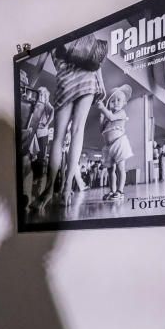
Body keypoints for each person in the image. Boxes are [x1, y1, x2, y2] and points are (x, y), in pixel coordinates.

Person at [32, 42, 105, 211]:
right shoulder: (81, 36)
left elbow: (39, 66)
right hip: (88, 79)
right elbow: (95, 58)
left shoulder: (50, 39)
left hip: (66, 80)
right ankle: (66, 190)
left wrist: (29, 84)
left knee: (58, 138)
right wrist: (101, 83)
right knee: (77, 132)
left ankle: (49, 191)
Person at [96, 84, 133, 201]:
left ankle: (120, 191)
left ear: (124, 103)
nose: (116, 102)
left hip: (119, 143)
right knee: (110, 169)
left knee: (121, 168)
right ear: (109, 103)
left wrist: (103, 109)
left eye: (118, 100)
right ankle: (112, 191)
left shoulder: (121, 113)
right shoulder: (108, 116)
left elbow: (112, 118)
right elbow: (101, 130)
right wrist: (101, 118)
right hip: (108, 146)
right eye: (112, 101)